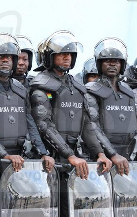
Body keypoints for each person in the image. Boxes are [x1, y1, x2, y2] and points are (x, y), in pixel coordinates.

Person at [29, 30, 112, 216]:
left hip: (73, 161)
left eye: (70, 54)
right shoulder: (41, 84)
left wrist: (99, 153)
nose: (67, 57)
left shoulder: (76, 86)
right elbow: (44, 125)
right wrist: (69, 155)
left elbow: (87, 124)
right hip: (50, 162)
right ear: (49, 57)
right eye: (61, 54)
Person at [0, 33, 55, 176]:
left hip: (20, 159)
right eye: (0, 57)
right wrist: (4, 155)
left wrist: (43, 153)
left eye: (9, 57)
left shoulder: (20, 89)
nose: (5, 61)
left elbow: (30, 122)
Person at [85, 37, 134, 175]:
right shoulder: (91, 90)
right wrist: (112, 154)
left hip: (129, 159)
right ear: (99, 64)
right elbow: (92, 126)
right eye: (107, 61)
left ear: (122, 64)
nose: (112, 64)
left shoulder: (129, 93)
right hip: (102, 160)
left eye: (116, 61)